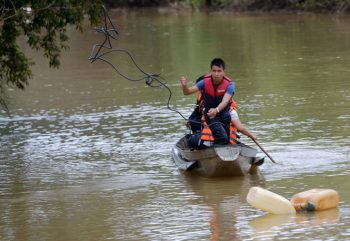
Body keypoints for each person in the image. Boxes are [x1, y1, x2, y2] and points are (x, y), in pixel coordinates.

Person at [180, 58, 235, 145]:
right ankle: (213, 149)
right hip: (210, 114)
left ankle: (216, 147)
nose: (216, 74)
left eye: (219, 71)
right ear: (211, 71)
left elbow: (225, 102)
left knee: (226, 139)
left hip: (223, 114)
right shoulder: (204, 82)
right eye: (214, 71)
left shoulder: (230, 85)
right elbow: (187, 92)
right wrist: (184, 86)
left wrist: (216, 110)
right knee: (223, 138)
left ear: (224, 72)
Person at [188, 100, 257, 149]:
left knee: (191, 139)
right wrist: (250, 135)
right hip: (227, 143)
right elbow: (240, 128)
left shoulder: (208, 110)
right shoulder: (231, 111)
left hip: (206, 143)